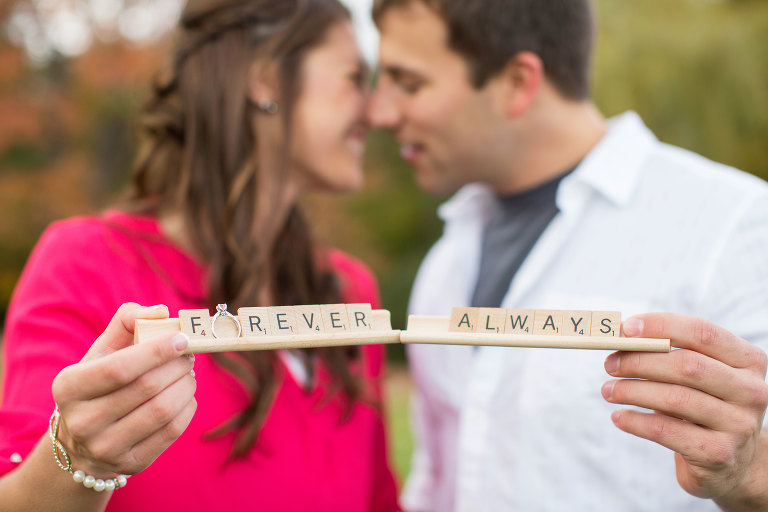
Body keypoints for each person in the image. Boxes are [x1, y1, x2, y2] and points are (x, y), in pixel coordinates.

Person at [366, 0, 768, 510]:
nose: (379, 113)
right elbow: (437, 479)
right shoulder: (447, 259)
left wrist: (750, 474)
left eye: (408, 83)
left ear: (517, 82)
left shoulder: (735, 227)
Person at [0, 1, 401, 511]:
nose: (378, 112)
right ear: (265, 79)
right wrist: (81, 460)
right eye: (354, 77)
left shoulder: (349, 290)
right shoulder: (87, 263)